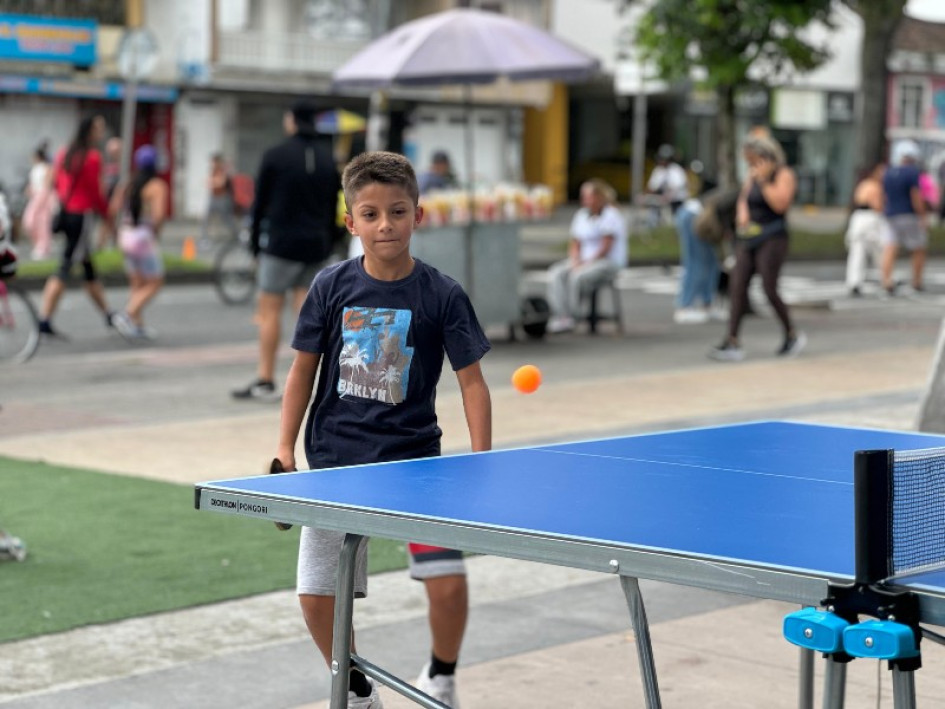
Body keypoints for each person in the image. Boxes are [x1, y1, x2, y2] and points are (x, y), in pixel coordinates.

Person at [274, 150, 492, 708]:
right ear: (351, 223)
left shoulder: (442, 294)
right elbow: (302, 370)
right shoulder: (329, 287)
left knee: (446, 580)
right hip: (335, 466)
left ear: (418, 215)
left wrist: (482, 462)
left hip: (415, 466)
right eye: (370, 214)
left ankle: (441, 676)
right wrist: (283, 449)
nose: (385, 224)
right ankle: (357, 689)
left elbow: (472, 384)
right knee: (317, 597)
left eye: (397, 211)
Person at [231, 100, 341, 401]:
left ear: (291, 120)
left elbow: (260, 203)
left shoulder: (275, 155)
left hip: (280, 245)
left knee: (269, 312)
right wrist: (331, 241)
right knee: (309, 315)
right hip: (317, 245)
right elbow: (334, 205)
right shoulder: (327, 159)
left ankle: (266, 379)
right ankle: (311, 381)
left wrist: (254, 243)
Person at [709, 134, 805, 361]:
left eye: (754, 160)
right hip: (749, 236)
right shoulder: (752, 176)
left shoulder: (784, 175)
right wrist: (743, 216)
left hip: (773, 236)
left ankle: (791, 334)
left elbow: (780, 205)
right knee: (737, 284)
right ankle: (732, 340)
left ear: (767, 158)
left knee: (769, 288)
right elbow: (744, 199)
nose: (751, 166)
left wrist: (763, 181)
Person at [37, 115, 114, 339]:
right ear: (89, 131)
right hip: (82, 216)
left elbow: (54, 182)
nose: (101, 133)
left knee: (88, 267)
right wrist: (108, 216)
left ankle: (108, 314)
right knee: (66, 266)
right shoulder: (92, 157)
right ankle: (44, 319)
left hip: (67, 212)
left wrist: (65, 200)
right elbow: (95, 192)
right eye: (99, 129)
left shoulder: (64, 153)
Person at [546, 178, 627, 334]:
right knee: (557, 272)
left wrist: (587, 263)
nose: (584, 199)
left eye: (587, 196)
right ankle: (560, 314)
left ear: (598, 197)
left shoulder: (611, 215)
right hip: (583, 260)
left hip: (606, 262)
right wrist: (575, 259)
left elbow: (606, 246)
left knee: (577, 277)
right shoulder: (581, 215)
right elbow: (576, 242)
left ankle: (572, 315)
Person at [109, 145, 168, 341]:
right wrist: (155, 233)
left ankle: (137, 325)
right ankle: (127, 314)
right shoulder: (157, 186)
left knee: (137, 282)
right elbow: (158, 216)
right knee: (155, 282)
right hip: (143, 237)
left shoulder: (128, 184)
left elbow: (113, 208)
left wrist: (114, 232)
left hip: (125, 235)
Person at [673, 181, 734, 324]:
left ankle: (707, 303)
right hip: (695, 218)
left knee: (712, 263)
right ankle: (684, 306)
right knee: (696, 262)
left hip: (701, 219)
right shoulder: (740, 198)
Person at [880, 140, 928, 295]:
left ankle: (886, 280)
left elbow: (884, 196)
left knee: (890, 247)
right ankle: (917, 281)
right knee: (918, 248)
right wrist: (922, 215)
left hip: (891, 214)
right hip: (908, 214)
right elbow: (916, 196)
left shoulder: (888, 172)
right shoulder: (912, 172)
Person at [844, 163, 887, 297]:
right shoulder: (875, 186)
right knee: (879, 250)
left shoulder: (863, 184)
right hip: (871, 218)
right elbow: (877, 206)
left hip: (858, 218)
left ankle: (854, 282)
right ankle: (885, 279)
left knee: (857, 252)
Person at [21, 142, 54, 260]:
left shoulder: (47, 168)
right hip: (36, 197)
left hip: (43, 198)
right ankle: (38, 245)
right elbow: (32, 184)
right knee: (29, 222)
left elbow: (47, 185)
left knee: (42, 223)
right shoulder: (35, 168)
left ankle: (43, 247)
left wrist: (40, 198)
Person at [645, 144, 689, 224]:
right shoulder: (658, 170)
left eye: (665, 159)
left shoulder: (677, 170)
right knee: (653, 217)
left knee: (676, 221)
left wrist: (667, 196)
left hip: (676, 202)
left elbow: (677, 188)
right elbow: (652, 187)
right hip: (660, 201)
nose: (663, 161)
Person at [201, 153, 237, 249]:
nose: (211, 164)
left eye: (213, 162)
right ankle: (204, 239)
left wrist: (213, 182)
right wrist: (213, 182)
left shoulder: (222, 170)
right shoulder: (213, 170)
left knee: (226, 219)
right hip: (213, 197)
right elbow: (209, 182)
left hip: (222, 198)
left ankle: (236, 235)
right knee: (206, 219)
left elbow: (221, 182)